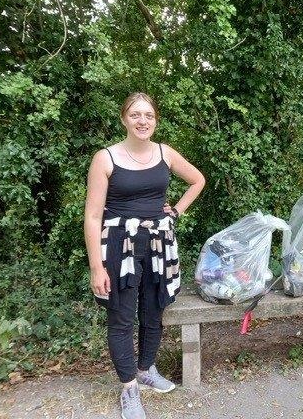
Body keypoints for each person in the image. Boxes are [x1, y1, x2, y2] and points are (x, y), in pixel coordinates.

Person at [84, 92, 205, 419]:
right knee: (122, 317)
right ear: (124, 118)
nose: (142, 121)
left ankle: (146, 370)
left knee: (154, 311)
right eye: (136, 114)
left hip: (158, 245)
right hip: (118, 246)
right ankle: (129, 388)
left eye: (148, 115)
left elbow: (197, 180)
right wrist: (97, 266)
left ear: (155, 120)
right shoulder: (105, 158)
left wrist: (176, 211)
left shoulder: (165, 153)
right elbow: (93, 216)